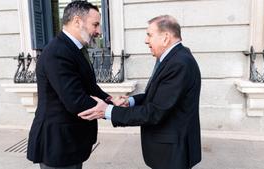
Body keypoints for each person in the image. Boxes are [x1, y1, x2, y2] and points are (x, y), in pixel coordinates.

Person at [78, 15, 202, 169]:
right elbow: (157, 96)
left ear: (165, 37)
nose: (146, 40)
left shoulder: (179, 64)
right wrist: (130, 101)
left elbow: (154, 112)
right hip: (168, 149)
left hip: (172, 152)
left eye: (149, 35)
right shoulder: (173, 58)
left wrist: (108, 111)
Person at [27, 1, 123, 169]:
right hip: (58, 144)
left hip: (71, 141)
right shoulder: (57, 52)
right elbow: (75, 101)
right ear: (77, 21)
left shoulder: (74, 48)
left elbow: (90, 87)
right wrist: (111, 111)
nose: (99, 31)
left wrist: (109, 99)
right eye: (95, 24)